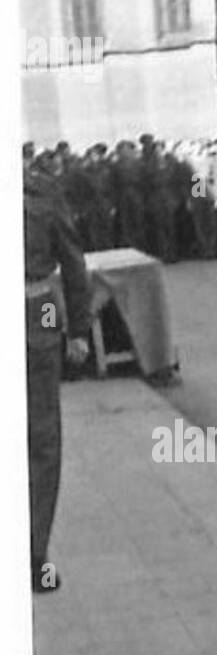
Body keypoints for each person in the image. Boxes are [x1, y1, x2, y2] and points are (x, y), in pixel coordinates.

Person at [25, 156, 91, 592]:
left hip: (38, 312)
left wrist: (78, 330)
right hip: (37, 313)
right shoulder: (40, 190)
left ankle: (34, 555)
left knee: (42, 438)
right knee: (42, 441)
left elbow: (71, 261)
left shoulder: (42, 191)